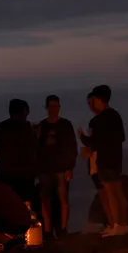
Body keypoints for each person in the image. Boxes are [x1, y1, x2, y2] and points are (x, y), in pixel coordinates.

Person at [78, 85, 128, 237]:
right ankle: (123, 225)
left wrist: (82, 137)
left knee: (111, 192)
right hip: (116, 158)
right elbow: (122, 137)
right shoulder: (115, 115)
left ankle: (117, 226)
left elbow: (93, 142)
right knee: (118, 193)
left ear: (99, 99)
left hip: (105, 160)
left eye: (94, 99)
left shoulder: (100, 120)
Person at [37, 95, 78, 239]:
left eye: (56, 106)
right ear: (47, 108)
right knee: (45, 200)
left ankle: (62, 228)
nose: (54, 109)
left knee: (63, 199)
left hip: (61, 168)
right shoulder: (42, 126)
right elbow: (37, 147)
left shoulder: (66, 125)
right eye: (52, 106)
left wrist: (70, 167)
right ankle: (48, 230)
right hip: (45, 168)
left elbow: (72, 147)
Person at [0, 98, 38, 213]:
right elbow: (35, 148)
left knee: (7, 204)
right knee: (27, 203)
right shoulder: (28, 128)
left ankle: (9, 228)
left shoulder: (0, 127)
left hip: (5, 172)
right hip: (25, 174)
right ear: (24, 112)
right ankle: (27, 228)